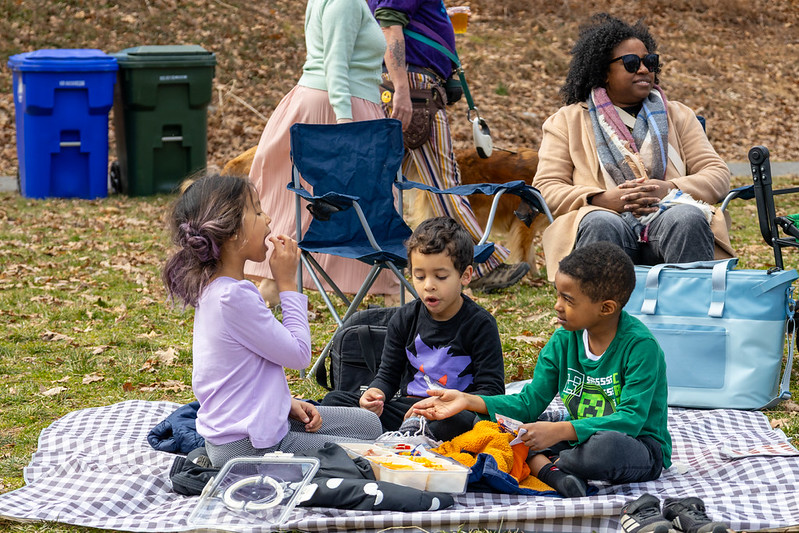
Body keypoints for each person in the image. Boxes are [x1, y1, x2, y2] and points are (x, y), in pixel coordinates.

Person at [411, 242, 672, 498]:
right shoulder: (563, 341)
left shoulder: (640, 347)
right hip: (574, 437)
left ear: (606, 308)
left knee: (603, 449)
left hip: (637, 445)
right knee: (483, 423)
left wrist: (559, 431)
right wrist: (467, 400)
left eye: (568, 299)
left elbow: (631, 420)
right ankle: (553, 471)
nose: (557, 305)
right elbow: (529, 402)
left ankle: (541, 464)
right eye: (557, 294)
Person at [162, 174, 383, 468]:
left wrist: (285, 404)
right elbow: (299, 356)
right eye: (256, 211)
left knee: (369, 425)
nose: (267, 218)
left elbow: (237, 373)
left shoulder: (220, 287)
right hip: (249, 447)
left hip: (255, 428)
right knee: (370, 455)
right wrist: (287, 283)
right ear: (231, 232)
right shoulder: (233, 297)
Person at [532, 13, 734, 281]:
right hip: (606, 222)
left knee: (686, 217)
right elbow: (546, 188)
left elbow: (717, 173)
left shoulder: (678, 115)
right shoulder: (565, 121)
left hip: (668, 219)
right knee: (599, 221)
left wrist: (670, 190)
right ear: (603, 71)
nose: (643, 69)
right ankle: (603, 320)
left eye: (650, 62)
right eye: (630, 63)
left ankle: (688, 317)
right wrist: (602, 199)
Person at [368, 0, 531, 292]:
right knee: (445, 187)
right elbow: (390, 24)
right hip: (416, 90)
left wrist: (439, 23)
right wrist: (402, 91)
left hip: (410, 87)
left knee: (381, 186)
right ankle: (483, 264)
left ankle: (385, 274)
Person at [245, 0, 401, 305]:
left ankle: (271, 291)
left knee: (313, 206)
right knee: (330, 207)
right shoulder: (344, 2)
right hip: (336, 109)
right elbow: (335, 63)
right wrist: (344, 126)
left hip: (336, 104)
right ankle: (396, 295)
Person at [321, 216, 506, 441]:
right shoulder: (404, 318)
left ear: (465, 275)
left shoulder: (480, 324)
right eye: (419, 276)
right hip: (408, 408)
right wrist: (376, 394)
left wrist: (451, 404)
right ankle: (400, 435)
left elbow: (492, 392)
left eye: (440, 276)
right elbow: (387, 376)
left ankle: (397, 437)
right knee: (335, 402)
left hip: (454, 412)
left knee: (457, 424)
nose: (428, 285)